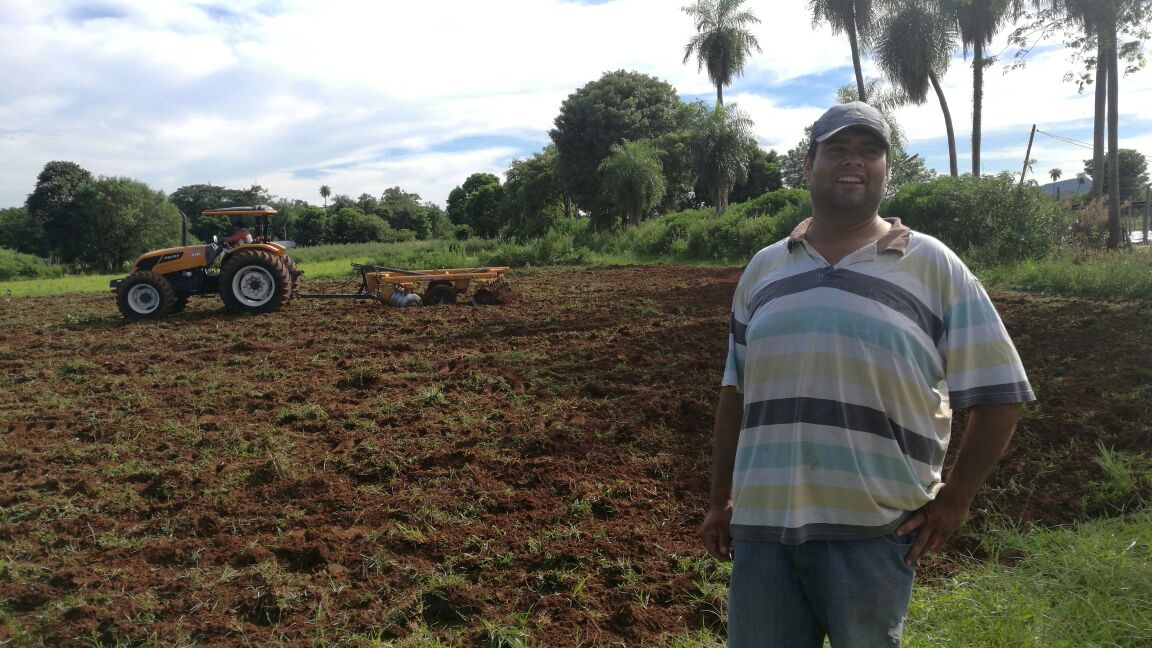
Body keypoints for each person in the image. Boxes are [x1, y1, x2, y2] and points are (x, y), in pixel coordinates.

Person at [698, 101, 1035, 647]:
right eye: (836, 149)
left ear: (886, 169)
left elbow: (1000, 394)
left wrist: (956, 499)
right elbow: (734, 394)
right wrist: (720, 502)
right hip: (763, 532)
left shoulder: (934, 265)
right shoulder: (764, 268)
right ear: (807, 165)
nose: (853, 161)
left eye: (869, 151)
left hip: (874, 534)